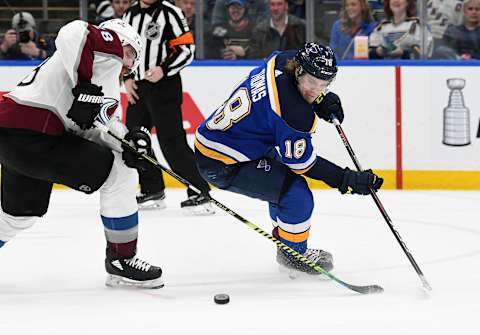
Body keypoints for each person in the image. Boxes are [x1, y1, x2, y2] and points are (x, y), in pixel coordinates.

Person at [193, 43, 383, 275]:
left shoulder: (284, 59)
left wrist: (319, 98)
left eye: (324, 84)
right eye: (312, 83)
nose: (316, 89)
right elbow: (304, 164)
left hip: (231, 141)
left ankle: (285, 238)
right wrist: (346, 179)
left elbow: (293, 84)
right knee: (296, 196)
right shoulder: (294, 113)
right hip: (223, 162)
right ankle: (294, 254)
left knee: (282, 187)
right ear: (300, 71)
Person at [0, 19, 163, 289]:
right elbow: (74, 30)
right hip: (34, 136)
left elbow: (95, 128)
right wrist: (85, 86)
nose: (131, 64)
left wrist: (128, 143)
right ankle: (122, 260)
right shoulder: (105, 52)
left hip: (16, 139)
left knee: (19, 216)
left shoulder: (94, 75)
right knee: (119, 173)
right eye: (132, 53)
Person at [123, 0, 214, 214]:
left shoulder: (170, 13)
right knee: (134, 141)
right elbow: (122, 50)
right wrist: (126, 77)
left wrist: (163, 70)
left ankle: (199, 192)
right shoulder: (129, 15)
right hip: (138, 87)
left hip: (165, 86)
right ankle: (152, 189)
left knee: (172, 142)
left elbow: (187, 49)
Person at [369, 0, 433, 59]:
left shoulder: (418, 26)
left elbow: (426, 53)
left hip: (411, 69)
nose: (396, 1)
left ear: (408, 2)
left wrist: (404, 53)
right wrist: (378, 52)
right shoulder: (381, 28)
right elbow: (369, 52)